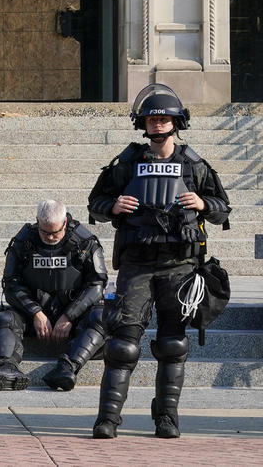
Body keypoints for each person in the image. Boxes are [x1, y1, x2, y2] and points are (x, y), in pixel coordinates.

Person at [88, 83, 231, 439]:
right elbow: (95, 203)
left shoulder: (194, 164)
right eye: (151, 119)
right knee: (123, 345)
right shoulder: (127, 163)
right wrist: (113, 206)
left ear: (176, 122)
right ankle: (108, 418)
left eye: (163, 118)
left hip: (179, 265)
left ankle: (166, 417)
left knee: (173, 344)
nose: (157, 124)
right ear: (143, 124)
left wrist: (202, 204)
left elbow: (222, 208)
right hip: (137, 265)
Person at [0, 199, 108, 392]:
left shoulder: (85, 242)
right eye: (44, 231)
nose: (50, 237)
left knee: (101, 317)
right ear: (37, 221)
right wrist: (36, 313)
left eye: (55, 232)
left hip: (73, 315)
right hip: (34, 315)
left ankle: (68, 368)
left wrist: (69, 316)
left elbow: (97, 285)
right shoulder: (23, 242)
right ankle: (6, 367)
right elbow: (11, 284)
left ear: (65, 222)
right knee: (4, 318)